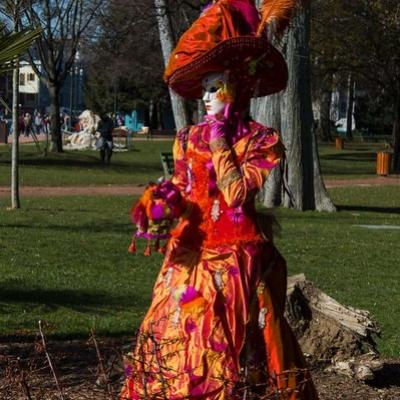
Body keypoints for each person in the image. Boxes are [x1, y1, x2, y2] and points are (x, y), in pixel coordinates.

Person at [121, 1, 318, 399]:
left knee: (228, 346)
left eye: (216, 87)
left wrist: (219, 141)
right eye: (204, 88)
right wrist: (160, 205)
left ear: (239, 86)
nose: (206, 97)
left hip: (235, 262)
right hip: (188, 258)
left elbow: (236, 193)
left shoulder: (262, 140)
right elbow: (183, 189)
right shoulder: (186, 139)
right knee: (172, 338)